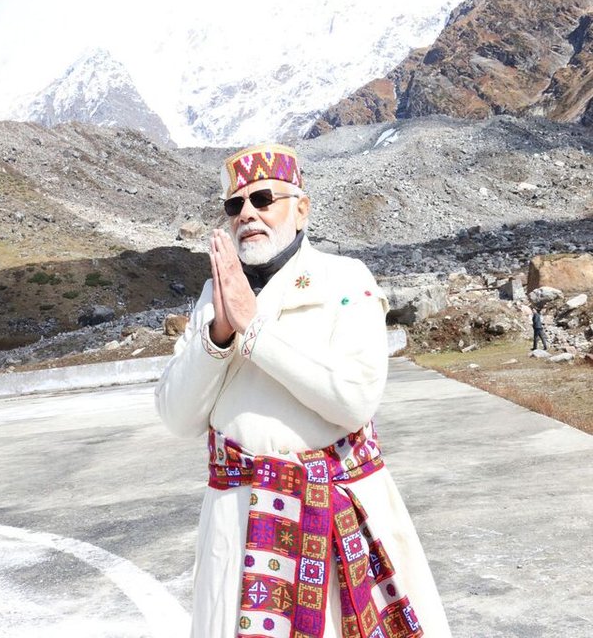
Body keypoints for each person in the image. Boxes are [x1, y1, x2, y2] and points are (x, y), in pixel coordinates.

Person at [155, 143, 451, 638]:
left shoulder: (345, 279)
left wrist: (253, 332)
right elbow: (176, 418)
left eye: (264, 199)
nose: (247, 213)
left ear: (302, 208)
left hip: (330, 509)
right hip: (238, 515)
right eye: (235, 206)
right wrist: (219, 335)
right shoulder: (213, 294)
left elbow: (354, 400)